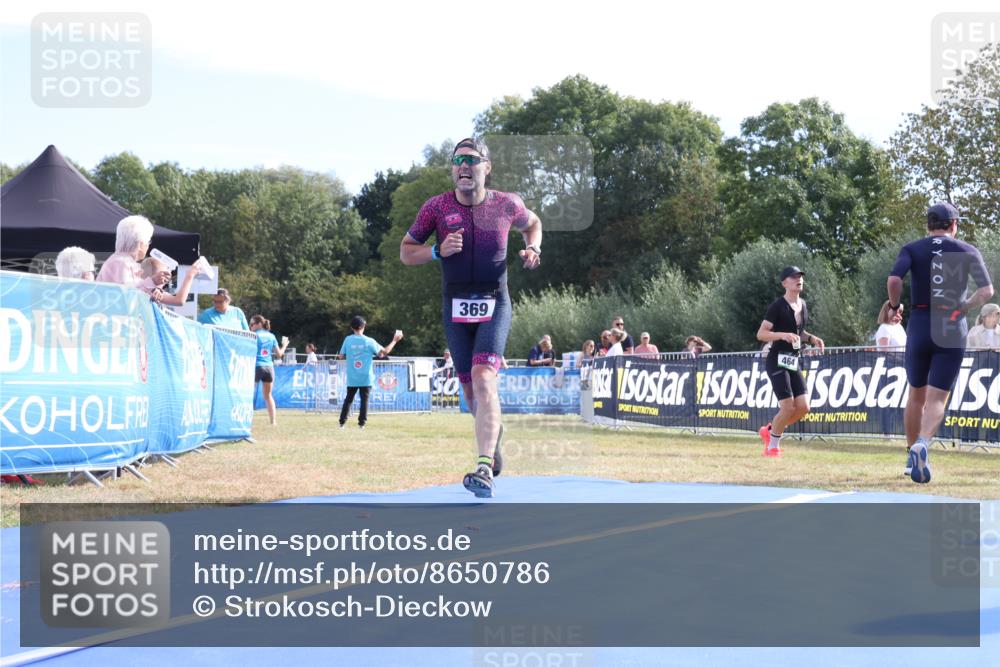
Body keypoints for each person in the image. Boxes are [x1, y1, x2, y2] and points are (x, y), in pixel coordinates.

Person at [400, 136, 542, 498]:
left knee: (483, 378)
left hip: (495, 302)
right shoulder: (435, 207)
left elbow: (534, 223)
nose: (464, 166)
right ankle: (492, 439)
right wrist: (436, 250)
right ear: (453, 169)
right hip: (455, 305)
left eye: (472, 160)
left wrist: (532, 247)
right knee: (469, 391)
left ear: (486, 168)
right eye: (458, 160)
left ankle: (483, 467)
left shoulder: (507, 204)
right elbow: (406, 252)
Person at [887, 202, 993, 483]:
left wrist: (895, 306)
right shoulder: (967, 250)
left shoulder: (912, 248)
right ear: (954, 224)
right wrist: (965, 306)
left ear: (929, 225)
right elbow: (987, 291)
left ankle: (911, 456)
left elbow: (895, 279)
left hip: (920, 322)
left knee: (915, 395)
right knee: (937, 398)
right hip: (951, 322)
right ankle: (924, 442)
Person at [756, 266, 826, 458]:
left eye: (801, 276)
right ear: (784, 283)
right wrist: (782, 336)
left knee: (803, 407)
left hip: (793, 360)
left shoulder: (802, 305)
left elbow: (799, 333)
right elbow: (761, 333)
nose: (799, 279)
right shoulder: (777, 306)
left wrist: (812, 339)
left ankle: (770, 430)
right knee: (787, 407)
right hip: (776, 360)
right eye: (794, 277)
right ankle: (772, 447)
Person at [337, 316, 403, 429]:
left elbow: (341, 356)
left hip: (352, 376)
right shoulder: (369, 341)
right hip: (366, 377)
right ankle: (361, 424)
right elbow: (383, 353)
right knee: (364, 400)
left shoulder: (347, 340)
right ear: (363, 327)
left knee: (348, 399)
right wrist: (394, 340)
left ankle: (342, 423)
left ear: (352, 327)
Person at [249, 314, 289, 426]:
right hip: (269, 368)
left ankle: (246, 420)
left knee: (249, 394)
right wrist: (285, 345)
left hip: (256, 366)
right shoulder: (271, 336)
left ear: (259, 324)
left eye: (252, 324)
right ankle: (273, 422)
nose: (250, 326)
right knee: (268, 395)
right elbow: (279, 354)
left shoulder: (252, 335)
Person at [96, 215, 154, 287]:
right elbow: (129, 292)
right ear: (140, 243)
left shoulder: (121, 261)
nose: (148, 245)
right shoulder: (120, 263)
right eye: (148, 241)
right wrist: (152, 282)